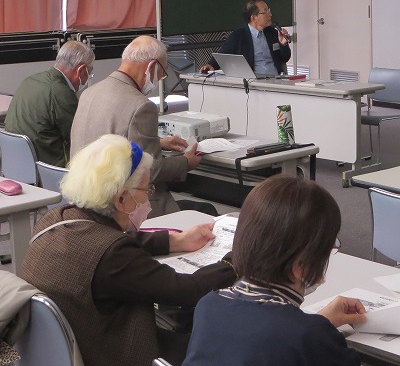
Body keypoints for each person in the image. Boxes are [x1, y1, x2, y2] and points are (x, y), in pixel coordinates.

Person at [20, 135, 237, 366]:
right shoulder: (113, 254)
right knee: (224, 343)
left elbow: (109, 239)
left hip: (64, 349)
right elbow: (187, 289)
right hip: (112, 354)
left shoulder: (56, 219)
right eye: (147, 189)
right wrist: (234, 261)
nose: (149, 198)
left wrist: (175, 241)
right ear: (122, 199)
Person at [183, 176, 366, 366]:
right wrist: (320, 330)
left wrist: (319, 324)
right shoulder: (309, 335)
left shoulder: (208, 306)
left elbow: (261, 334)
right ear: (300, 266)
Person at [71, 35, 200, 216]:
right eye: (162, 73)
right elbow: (150, 170)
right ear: (152, 67)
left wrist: (159, 142)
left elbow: (105, 139)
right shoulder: (141, 106)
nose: (160, 78)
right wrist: (186, 162)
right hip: (123, 206)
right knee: (206, 210)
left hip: (87, 199)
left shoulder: (89, 93)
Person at [4, 40, 95, 167]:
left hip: (16, 165)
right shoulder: (60, 92)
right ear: (81, 70)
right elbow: (80, 138)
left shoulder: (29, 81)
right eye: (89, 72)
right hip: (48, 169)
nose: (88, 77)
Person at [200, 0, 291, 76]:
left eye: (269, 11)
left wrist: (283, 45)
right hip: (253, 82)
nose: (270, 14)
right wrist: (211, 65)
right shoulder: (239, 35)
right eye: (265, 12)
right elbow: (223, 53)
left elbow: (285, 58)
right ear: (254, 18)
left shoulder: (272, 33)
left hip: (276, 79)